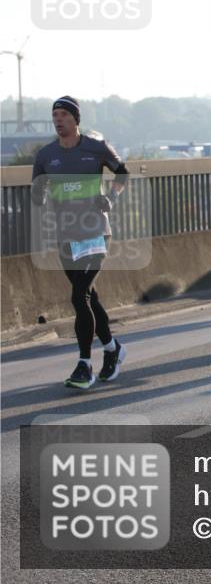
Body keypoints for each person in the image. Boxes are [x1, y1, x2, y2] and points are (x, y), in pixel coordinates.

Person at [31, 96, 129, 389]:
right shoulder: (45, 155)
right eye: (54, 115)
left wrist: (110, 197)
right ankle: (113, 349)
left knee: (78, 296)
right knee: (88, 298)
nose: (57, 119)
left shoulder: (95, 148)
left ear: (75, 119)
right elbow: (37, 191)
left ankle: (84, 364)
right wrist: (41, 195)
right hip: (66, 237)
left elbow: (122, 172)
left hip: (96, 232)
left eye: (63, 114)